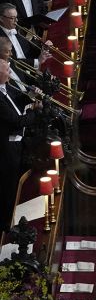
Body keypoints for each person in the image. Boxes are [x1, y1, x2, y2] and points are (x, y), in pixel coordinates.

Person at [0, 59, 39, 225]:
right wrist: (34, 111)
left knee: (18, 183)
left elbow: (16, 102)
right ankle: (7, 224)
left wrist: (30, 96)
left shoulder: (5, 87)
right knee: (9, 187)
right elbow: (17, 120)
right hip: (7, 150)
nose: (10, 72)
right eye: (7, 70)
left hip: (18, 144)